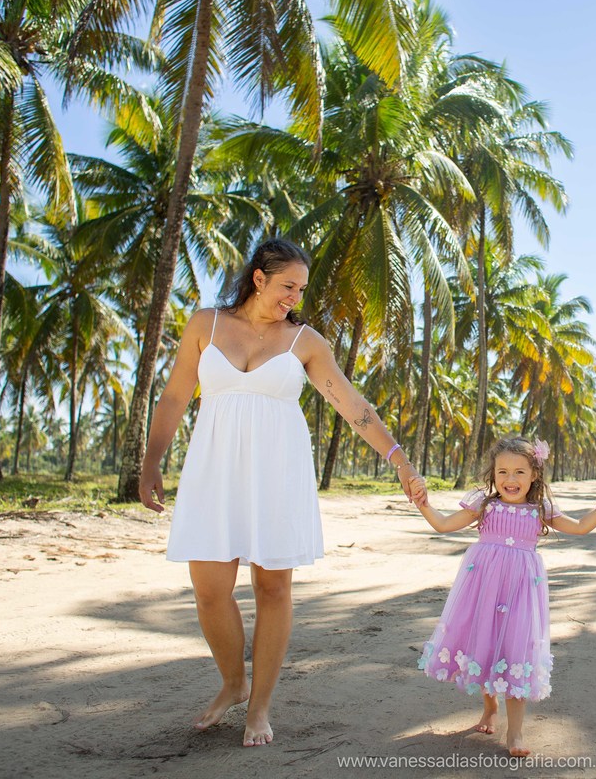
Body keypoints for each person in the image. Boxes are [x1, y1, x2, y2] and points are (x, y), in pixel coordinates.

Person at [139, 237, 426, 747]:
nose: (295, 297)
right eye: (287, 286)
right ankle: (233, 682)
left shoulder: (305, 342)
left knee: (273, 589)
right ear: (258, 278)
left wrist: (397, 458)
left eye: (301, 289)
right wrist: (152, 460)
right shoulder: (204, 325)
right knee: (209, 591)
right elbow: (176, 394)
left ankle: (261, 706)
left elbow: (351, 404)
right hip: (213, 471)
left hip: (277, 473)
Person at [410, 437, 596, 758]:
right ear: (492, 474)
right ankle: (490, 709)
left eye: (519, 472)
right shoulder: (483, 504)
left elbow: (579, 528)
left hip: (521, 588)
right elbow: (443, 524)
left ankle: (516, 731)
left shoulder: (540, 509)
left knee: (515, 651)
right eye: (502, 471)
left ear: (535, 473)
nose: (510, 479)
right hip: (482, 586)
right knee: (484, 643)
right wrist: (422, 501)